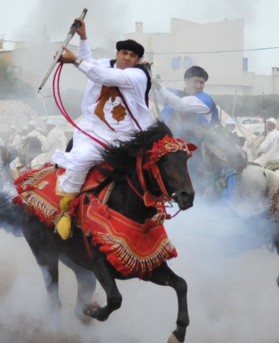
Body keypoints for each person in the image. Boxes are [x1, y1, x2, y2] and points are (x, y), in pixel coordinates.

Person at [50, 22, 154, 238]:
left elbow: (102, 76)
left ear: (138, 60)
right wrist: (83, 37)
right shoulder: (103, 64)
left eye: (133, 56)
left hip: (127, 139)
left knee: (155, 167)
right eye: (124, 53)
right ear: (117, 53)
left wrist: (75, 61)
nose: (127, 58)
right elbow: (89, 63)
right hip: (94, 133)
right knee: (81, 159)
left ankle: (155, 211)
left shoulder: (138, 75)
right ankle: (66, 211)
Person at [159, 65, 221, 144]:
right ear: (186, 81)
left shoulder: (205, 99)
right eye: (195, 81)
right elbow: (149, 91)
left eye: (201, 82)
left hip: (201, 151)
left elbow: (181, 104)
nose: (198, 86)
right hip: (173, 147)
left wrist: (159, 88)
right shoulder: (174, 95)